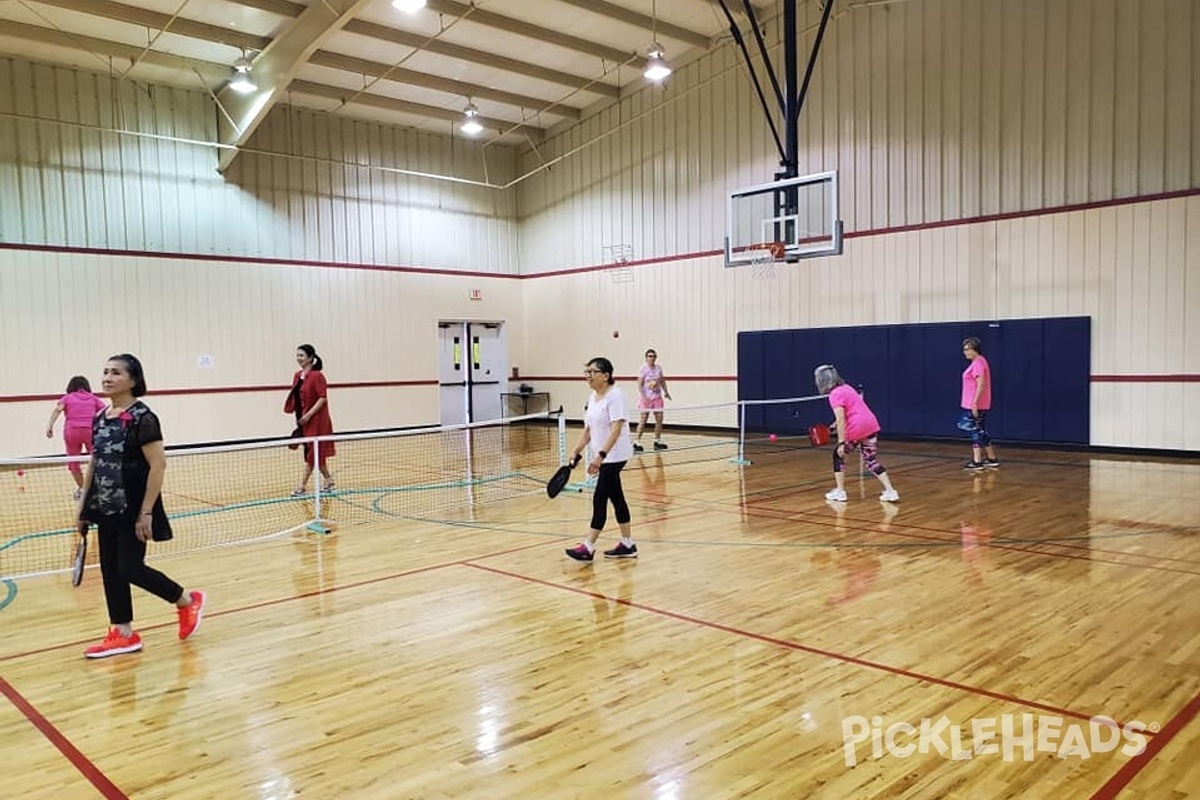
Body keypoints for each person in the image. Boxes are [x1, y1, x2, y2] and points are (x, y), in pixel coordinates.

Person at [77, 354, 206, 659]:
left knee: (130, 568)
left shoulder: (143, 418)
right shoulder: (100, 416)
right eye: (105, 371)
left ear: (133, 380)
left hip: (133, 506)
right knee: (110, 570)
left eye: (116, 373)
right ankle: (123, 633)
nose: (107, 377)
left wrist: (146, 512)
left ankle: (186, 600)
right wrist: (83, 508)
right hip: (103, 504)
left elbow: (158, 464)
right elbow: (95, 462)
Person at [565, 357, 638, 561]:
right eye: (586, 371)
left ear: (605, 376)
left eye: (593, 372)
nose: (588, 376)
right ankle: (628, 544)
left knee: (599, 498)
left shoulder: (615, 396)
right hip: (604, 454)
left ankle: (588, 546)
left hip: (615, 454)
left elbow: (616, 429)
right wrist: (577, 450)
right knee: (617, 497)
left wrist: (600, 456)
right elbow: (589, 429)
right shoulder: (593, 397)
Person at [814, 364, 900, 503]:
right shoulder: (847, 388)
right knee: (870, 459)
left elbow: (841, 419)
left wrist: (841, 443)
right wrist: (832, 427)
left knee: (838, 454)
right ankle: (890, 491)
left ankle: (840, 491)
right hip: (871, 424)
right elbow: (851, 411)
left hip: (857, 428)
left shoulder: (834, 395)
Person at [285, 344, 336, 495]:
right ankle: (329, 481)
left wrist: (309, 415)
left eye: (301, 355)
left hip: (317, 420)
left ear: (310, 358)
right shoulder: (297, 375)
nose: (298, 358)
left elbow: (322, 398)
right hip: (302, 420)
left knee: (312, 453)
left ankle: (301, 486)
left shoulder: (317, 376)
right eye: (297, 355)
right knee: (315, 451)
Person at [46, 375, 107, 499]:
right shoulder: (93, 398)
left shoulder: (67, 398)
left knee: (74, 462)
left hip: (71, 432)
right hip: (90, 431)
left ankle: (83, 490)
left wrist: (50, 425)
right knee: (96, 460)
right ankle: (98, 488)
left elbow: (58, 409)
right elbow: (105, 410)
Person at [961, 337, 999, 470]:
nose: (965, 352)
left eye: (967, 349)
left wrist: (974, 403)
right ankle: (992, 458)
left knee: (975, 430)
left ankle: (977, 461)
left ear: (974, 349)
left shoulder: (978, 363)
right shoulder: (978, 362)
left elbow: (981, 384)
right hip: (974, 403)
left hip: (976, 403)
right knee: (981, 430)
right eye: (964, 349)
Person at [633, 348, 672, 452]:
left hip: (657, 398)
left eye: (654, 356)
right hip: (646, 399)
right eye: (650, 356)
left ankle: (657, 441)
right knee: (643, 420)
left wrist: (666, 392)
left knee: (659, 419)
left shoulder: (658, 368)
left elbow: (662, 381)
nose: (652, 358)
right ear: (646, 358)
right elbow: (639, 385)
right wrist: (644, 397)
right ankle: (636, 442)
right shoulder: (643, 369)